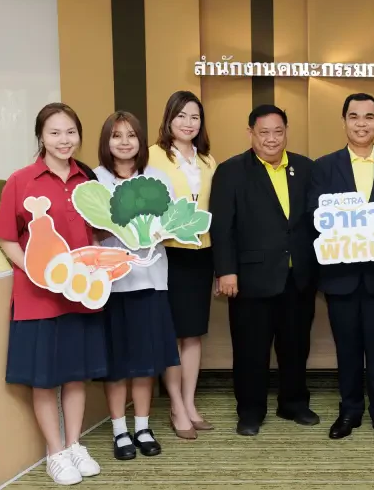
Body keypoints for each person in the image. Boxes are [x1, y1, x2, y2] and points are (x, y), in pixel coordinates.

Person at [0, 103, 105, 485]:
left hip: (79, 294)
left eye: (70, 132)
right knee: (44, 378)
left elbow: (96, 234)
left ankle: (74, 445)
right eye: (55, 132)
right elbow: (7, 238)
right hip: (38, 296)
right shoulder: (20, 180)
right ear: (41, 136)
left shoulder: (87, 181)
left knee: (75, 375)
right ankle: (54, 452)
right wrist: (38, 272)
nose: (64, 140)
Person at [210, 104, 319, 436]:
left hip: (298, 277)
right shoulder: (231, 171)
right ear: (250, 133)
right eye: (264, 132)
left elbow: (317, 221)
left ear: (286, 131)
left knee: (296, 346)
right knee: (250, 349)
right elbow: (222, 227)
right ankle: (250, 411)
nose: (272, 139)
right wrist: (226, 271)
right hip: (250, 279)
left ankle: (294, 404)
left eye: (278, 131)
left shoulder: (306, 168)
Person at [308, 93, 374, 442]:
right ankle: (349, 410)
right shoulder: (324, 166)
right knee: (347, 348)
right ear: (344, 122)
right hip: (341, 278)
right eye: (354, 117)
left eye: (369, 117)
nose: (362, 123)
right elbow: (316, 218)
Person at [93, 111, 181, 460]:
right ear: (106, 142)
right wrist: (119, 225)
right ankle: (119, 430)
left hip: (151, 280)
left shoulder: (157, 178)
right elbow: (91, 230)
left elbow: (171, 224)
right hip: (110, 284)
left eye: (131, 135)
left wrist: (154, 228)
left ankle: (143, 426)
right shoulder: (95, 180)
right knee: (117, 363)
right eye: (117, 136)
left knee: (144, 362)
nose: (125, 142)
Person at [148, 90, 217, 439]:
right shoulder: (152, 157)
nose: (188, 123)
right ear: (169, 119)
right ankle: (175, 405)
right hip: (168, 254)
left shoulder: (208, 159)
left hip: (201, 254)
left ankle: (190, 402)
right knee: (173, 334)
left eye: (195, 117)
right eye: (181, 116)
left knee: (193, 333)